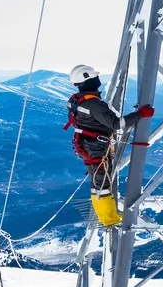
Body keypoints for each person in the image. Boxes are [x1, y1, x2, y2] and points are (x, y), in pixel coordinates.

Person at [64, 65, 154, 227]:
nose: (98, 79)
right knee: (102, 183)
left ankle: (106, 215)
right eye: (95, 77)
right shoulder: (93, 104)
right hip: (95, 147)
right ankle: (109, 219)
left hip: (86, 144)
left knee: (98, 181)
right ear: (88, 80)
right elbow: (116, 124)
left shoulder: (75, 100)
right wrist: (139, 115)